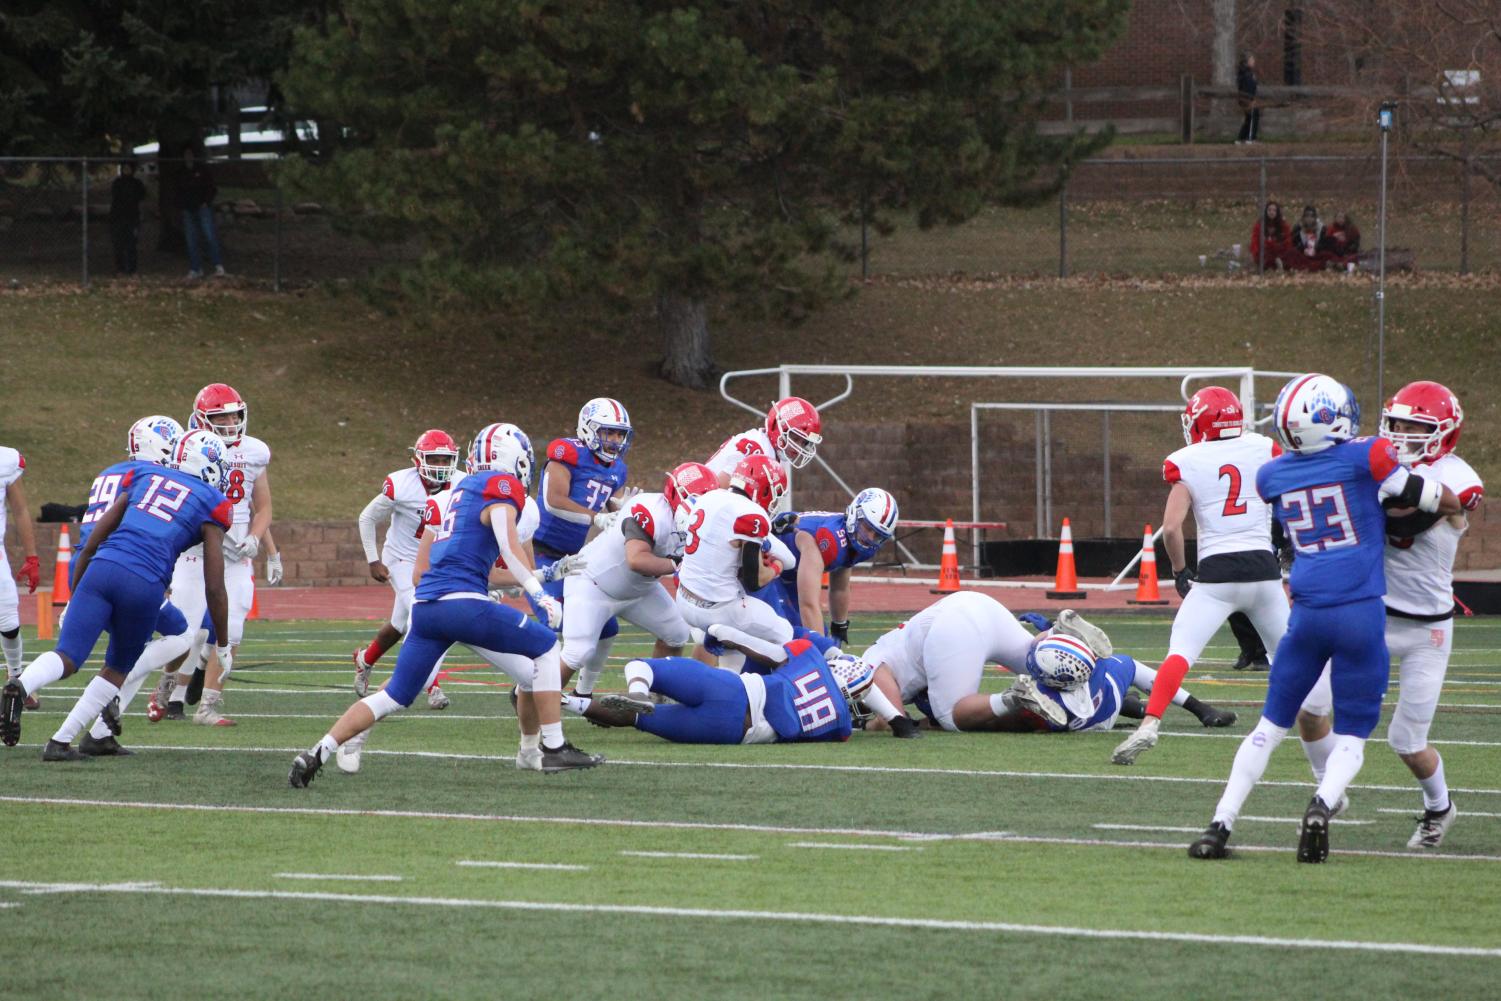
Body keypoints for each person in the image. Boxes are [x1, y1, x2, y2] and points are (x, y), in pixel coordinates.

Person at [1188, 374, 1460, 864]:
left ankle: (1219, 825)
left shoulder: (1273, 476)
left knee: (1268, 728)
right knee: (1353, 735)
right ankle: (1321, 804)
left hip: (1306, 616)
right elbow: (1425, 496)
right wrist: (1453, 502)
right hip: (1360, 614)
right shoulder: (1367, 457)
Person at [288, 422, 600, 786]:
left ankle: (316, 751)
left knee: (395, 695)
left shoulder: (452, 495)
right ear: (512, 459)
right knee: (548, 649)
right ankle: (554, 746)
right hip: (464, 606)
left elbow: (449, 569)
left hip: (429, 610)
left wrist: (545, 575)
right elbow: (508, 548)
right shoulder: (502, 487)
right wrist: (539, 591)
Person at [1298, 381, 1482, 850]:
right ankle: (1329, 790)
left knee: (1407, 741)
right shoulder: (1374, 459)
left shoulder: (1457, 475)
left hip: (1427, 629)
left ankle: (1440, 807)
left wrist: (1361, 493)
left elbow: (1406, 518)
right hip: (1370, 615)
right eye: (1396, 424)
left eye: (1415, 426)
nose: (1401, 434)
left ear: (1443, 433)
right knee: (1310, 706)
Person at [0, 430, 232, 758]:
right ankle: (60, 741)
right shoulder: (213, 502)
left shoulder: (145, 474)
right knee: (117, 668)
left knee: (68, 655)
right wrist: (222, 643)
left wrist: (74, 595)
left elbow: (94, 540)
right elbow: (214, 587)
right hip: (143, 582)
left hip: (101, 568)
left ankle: (19, 685)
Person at [1111, 386, 1284, 765]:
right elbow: (1284, 499)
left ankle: (1150, 725)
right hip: (1264, 570)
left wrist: (1179, 571)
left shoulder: (1187, 460)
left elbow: (1172, 528)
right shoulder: (1264, 448)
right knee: (1289, 655)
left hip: (1218, 574)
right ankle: (1323, 721)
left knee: (1180, 654)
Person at [860, 593, 1231, 734]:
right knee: (1037, 661)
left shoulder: (867, 664)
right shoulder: (891, 647)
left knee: (951, 718)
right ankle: (1054, 640)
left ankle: (1018, 696)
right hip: (977, 607)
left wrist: (873, 725)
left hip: (954, 630)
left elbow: (894, 720)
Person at [65, 415, 196, 755]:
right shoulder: (150, 477)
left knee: (133, 645)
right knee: (175, 636)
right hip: (123, 571)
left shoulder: (114, 472)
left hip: (95, 567)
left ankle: (99, 730)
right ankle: (90, 719)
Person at [557, 462, 718, 698]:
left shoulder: (705, 519)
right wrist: (677, 565)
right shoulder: (650, 511)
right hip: (593, 584)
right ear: (674, 493)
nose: (700, 508)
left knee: (676, 633)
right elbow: (636, 559)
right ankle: (530, 697)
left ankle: (654, 698)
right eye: (695, 499)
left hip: (639, 590)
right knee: (577, 652)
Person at [573, 629, 899, 746]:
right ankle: (570, 703)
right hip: (731, 732)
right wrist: (897, 719)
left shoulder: (811, 657)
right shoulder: (840, 727)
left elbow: (777, 650)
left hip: (732, 690)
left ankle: (571, 700)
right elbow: (864, 695)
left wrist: (724, 634)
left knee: (641, 667)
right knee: (636, 719)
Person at [352, 429, 461, 707]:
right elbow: (367, 517)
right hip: (400, 559)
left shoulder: (463, 484)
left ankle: (365, 659)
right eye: (433, 459)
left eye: (444, 460)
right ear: (418, 459)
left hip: (434, 563)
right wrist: (372, 559)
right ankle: (432, 687)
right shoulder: (401, 484)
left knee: (400, 624)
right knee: (422, 615)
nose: (439, 466)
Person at [981, 626, 1235, 735]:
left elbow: (992, 723)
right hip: (1105, 695)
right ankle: (1199, 710)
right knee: (1131, 669)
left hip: (1087, 718)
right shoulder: (1104, 666)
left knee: (1006, 714)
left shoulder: (1042, 705)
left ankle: (1131, 705)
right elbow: (1139, 671)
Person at [675, 454, 798, 672]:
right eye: (774, 494)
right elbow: (755, 581)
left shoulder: (708, 496)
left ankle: (724, 684)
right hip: (717, 608)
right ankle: (784, 690)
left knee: (735, 640)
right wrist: (775, 567)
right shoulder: (751, 513)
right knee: (784, 632)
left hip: (684, 600)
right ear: (765, 489)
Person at [530, 398, 633, 646]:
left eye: (620, 435)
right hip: (539, 552)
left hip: (576, 558)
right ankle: (532, 684)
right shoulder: (567, 453)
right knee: (555, 618)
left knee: (605, 625)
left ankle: (583, 687)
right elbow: (554, 501)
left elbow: (613, 515)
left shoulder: (617, 469)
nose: (615, 441)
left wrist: (626, 510)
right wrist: (596, 517)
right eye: (609, 432)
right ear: (588, 428)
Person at [756, 487, 899, 639]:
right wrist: (822, 651)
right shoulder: (828, 539)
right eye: (868, 528)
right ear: (855, 515)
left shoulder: (852, 542)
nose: (869, 538)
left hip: (790, 574)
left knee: (817, 633)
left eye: (877, 535)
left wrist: (839, 624)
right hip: (767, 566)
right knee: (789, 634)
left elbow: (840, 587)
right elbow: (808, 604)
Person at [705, 396, 824, 490]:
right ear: (776, 427)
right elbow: (719, 490)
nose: (798, 448)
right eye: (795, 438)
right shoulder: (756, 449)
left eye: (804, 443)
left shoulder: (769, 450)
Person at [0, 440, 40, 704]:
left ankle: (16, 677)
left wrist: (32, 555)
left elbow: (21, 509)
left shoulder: (5, 460)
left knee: (10, 622)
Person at [180, 145, 225, 279]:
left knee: (209, 235)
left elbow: (211, 188)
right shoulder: (182, 172)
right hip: (188, 209)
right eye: (186, 154)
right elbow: (178, 190)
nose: (188, 157)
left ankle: (218, 265)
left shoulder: (202, 170)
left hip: (202, 207)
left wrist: (206, 202)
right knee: (191, 239)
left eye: (190, 154)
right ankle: (195, 268)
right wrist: (182, 204)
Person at [108, 161, 148, 276]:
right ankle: (120, 269)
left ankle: (132, 269)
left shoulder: (137, 183)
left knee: (131, 244)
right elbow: (116, 197)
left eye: (128, 168)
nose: (126, 170)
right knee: (118, 244)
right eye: (124, 168)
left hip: (132, 217)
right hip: (118, 217)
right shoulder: (117, 183)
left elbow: (141, 196)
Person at [1249, 201, 1290, 271]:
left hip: (1278, 250)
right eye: (1269, 210)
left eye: (1274, 210)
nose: (1272, 212)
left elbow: (1287, 239)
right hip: (1265, 250)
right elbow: (1255, 239)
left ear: (1277, 212)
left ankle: (1278, 264)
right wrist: (1255, 251)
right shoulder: (1260, 224)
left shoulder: (1283, 224)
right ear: (1266, 211)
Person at [1236, 52, 1260, 144]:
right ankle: (1250, 138)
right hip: (1247, 99)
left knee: (1249, 118)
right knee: (1253, 116)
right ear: (1247, 61)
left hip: (1247, 99)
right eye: (1252, 60)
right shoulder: (1246, 73)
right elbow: (1247, 88)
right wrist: (1250, 100)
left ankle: (1241, 138)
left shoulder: (1246, 72)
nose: (1254, 62)